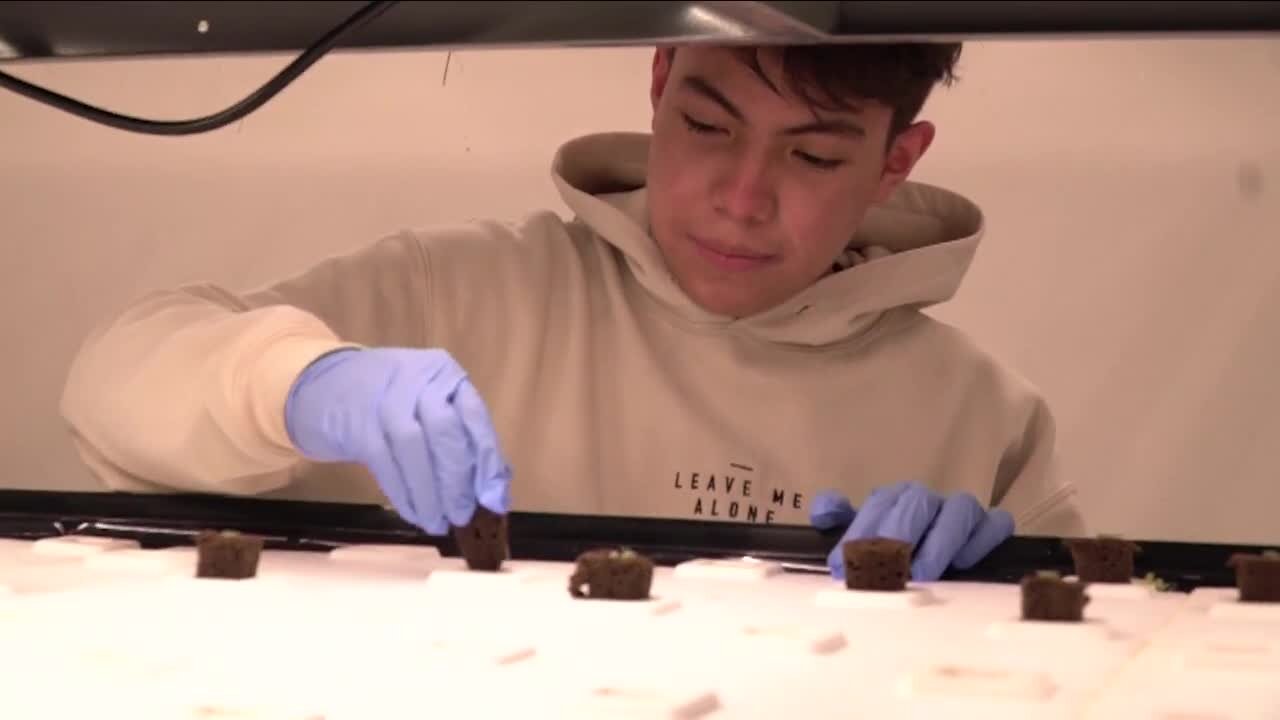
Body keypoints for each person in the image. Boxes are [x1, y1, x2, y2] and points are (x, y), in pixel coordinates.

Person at [59, 42, 1085, 583]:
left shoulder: (977, 418)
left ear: (894, 163)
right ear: (655, 83)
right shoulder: (455, 292)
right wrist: (299, 384)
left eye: (811, 155)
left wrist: (997, 587)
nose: (740, 194)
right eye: (704, 123)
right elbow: (111, 384)